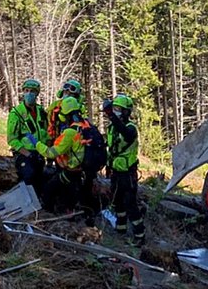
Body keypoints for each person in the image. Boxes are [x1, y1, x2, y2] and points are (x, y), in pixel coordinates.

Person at [38, 96, 107, 216]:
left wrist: (36, 144)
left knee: (49, 189)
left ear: (65, 115)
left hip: (73, 171)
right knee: (81, 196)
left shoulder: (70, 132)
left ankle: (49, 215)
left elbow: (51, 153)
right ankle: (86, 216)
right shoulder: (87, 126)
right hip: (86, 171)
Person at [103, 94, 143, 243]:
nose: (116, 112)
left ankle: (139, 236)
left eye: (119, 109)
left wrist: (111, 115)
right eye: (114, 109)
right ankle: (120, 230)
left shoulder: (130, 128)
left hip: (128, 174)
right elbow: (111, 148)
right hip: (116, 172)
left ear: (126, 112)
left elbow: (126, 135)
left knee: (130, 204)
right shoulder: (112, 128)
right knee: (117, 202)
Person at [7, 77, 49, 189]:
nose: (29, 94)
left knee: (40, 183)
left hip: (40, 154)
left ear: (37, 94)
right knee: (28, 178)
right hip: (24, 155)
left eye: (32, 91)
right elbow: (12, 139)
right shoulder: (16, 113)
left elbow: (46, 132)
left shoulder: (41, 112)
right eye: (26, 91)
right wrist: (28, 154)